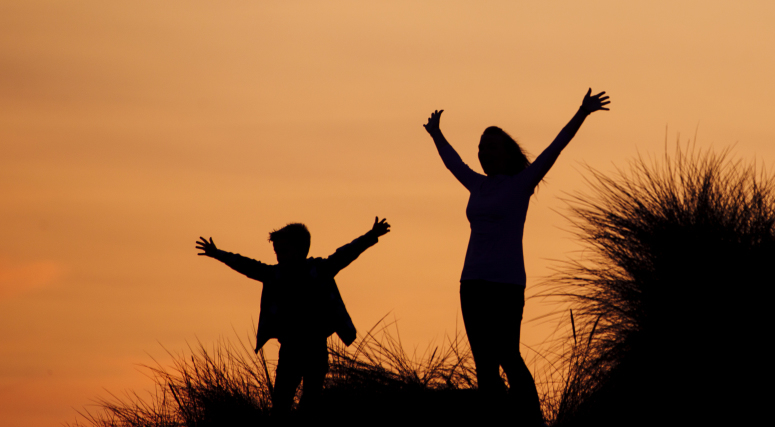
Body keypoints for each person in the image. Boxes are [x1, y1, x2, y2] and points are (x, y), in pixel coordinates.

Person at [424, 89, 610, 424]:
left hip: (506, 285)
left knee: (508, 355)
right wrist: (437, 134)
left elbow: (556, 146)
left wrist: (582, 112)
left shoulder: (521, 183)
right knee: (483, 362)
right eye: (481, 146)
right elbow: (454, 162)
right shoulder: (476, 185)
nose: (484, 152)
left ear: (507, 153)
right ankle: (496, 422)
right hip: (472, 283)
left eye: (491, 146)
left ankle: (532, 421)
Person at [195, 218, 391, 418]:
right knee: (281, 403)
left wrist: (371, 235)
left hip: (315, 348)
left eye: (284, 251)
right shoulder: (276, 274)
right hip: (290, 349)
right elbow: (248, 266)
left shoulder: (317, 270)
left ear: (300, 250)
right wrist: (217, 253)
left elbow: (346, 254)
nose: (279, 256)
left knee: (310, 402)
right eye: (277, 252)